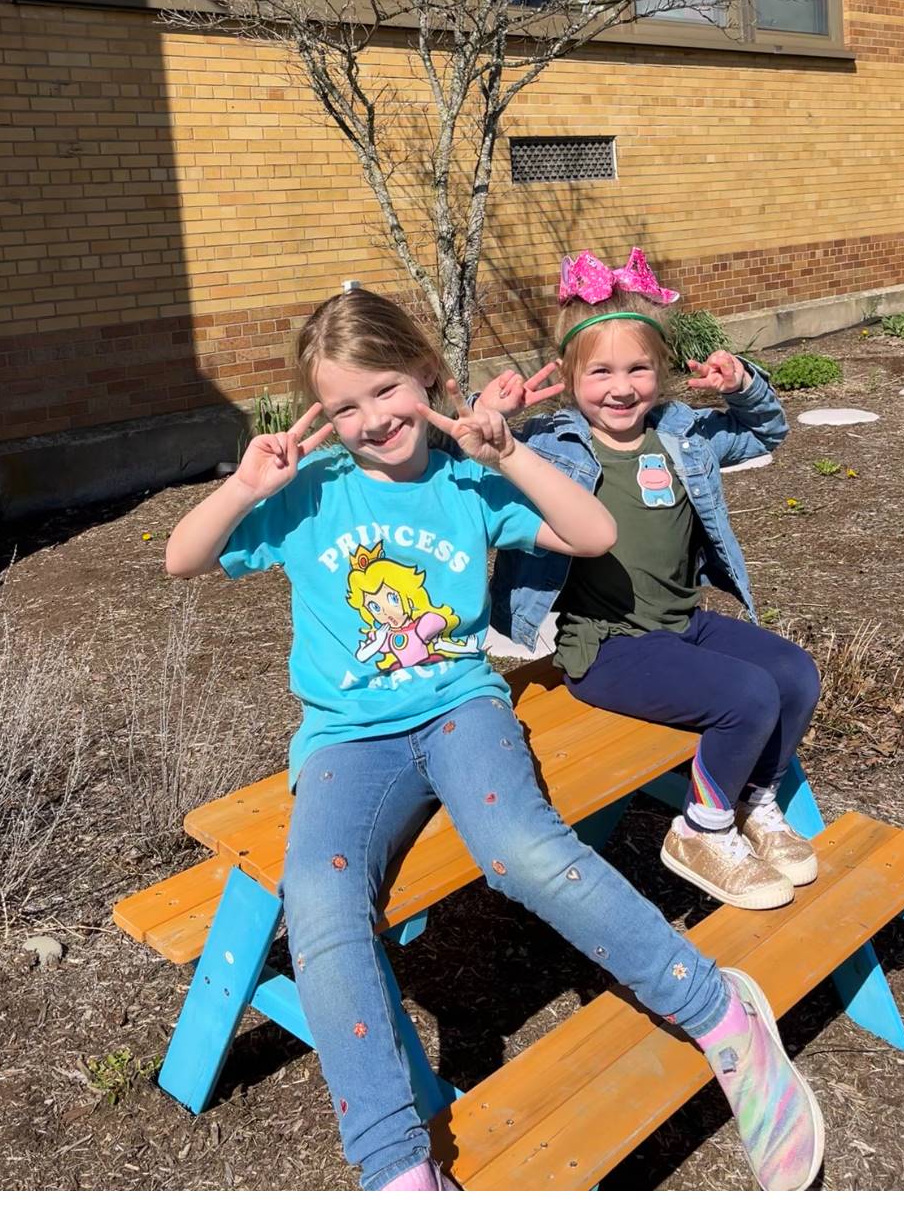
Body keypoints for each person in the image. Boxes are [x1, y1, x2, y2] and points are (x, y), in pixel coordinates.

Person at [165, 286, 823, 1193]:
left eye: (387, 390)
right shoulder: (304, 493)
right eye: (344, 404)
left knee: (522, 851)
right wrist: (246, 484)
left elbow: (591, 533)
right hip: (347, 743)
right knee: (317, 902)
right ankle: (395, 1170)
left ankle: (718, 1014)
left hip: (463, 709)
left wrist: (506, 449)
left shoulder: (469, 478)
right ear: (317, 412)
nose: (370, 420)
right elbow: (182, 558)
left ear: (428, 378)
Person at [483, 249, 822, 913]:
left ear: (662, 373)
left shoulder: (682, 435)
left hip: (681, 624)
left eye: (638, 368)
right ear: (572, 377)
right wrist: (493, 415)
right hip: (606, 647)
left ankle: (753, 798)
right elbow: (465, 461)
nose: (621, 387)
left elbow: (767, 435)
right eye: (600, 371)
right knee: (748, 697)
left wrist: (743, 386)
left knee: (795, 673)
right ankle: (700, 831)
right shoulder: (549, 446)